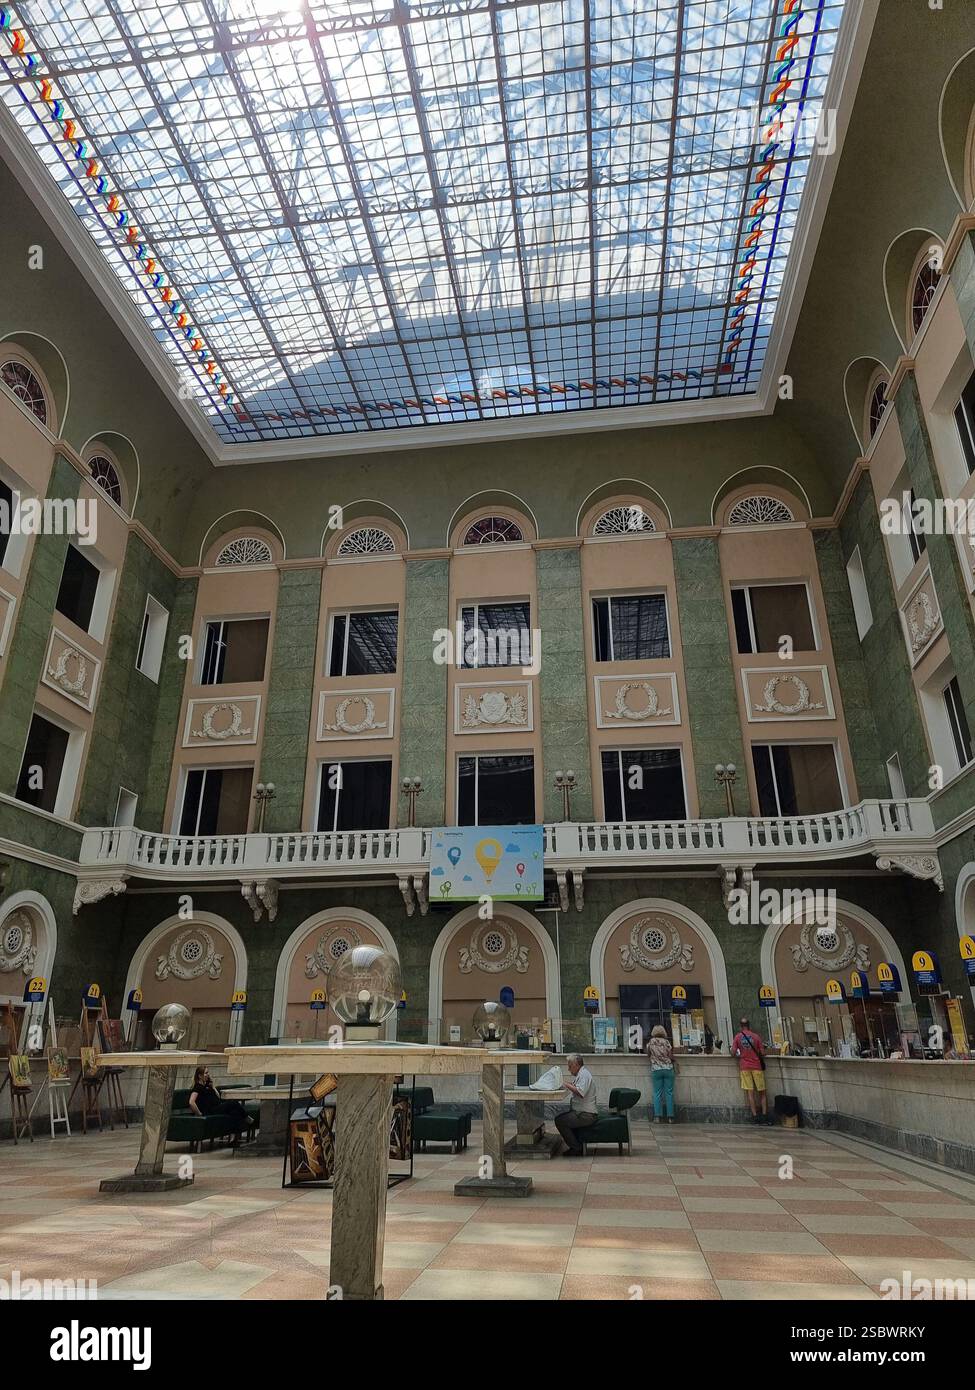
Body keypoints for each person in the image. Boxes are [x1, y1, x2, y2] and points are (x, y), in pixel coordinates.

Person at [189, 1065, 255, 1139]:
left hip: (217, 1107)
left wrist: (212, 1086)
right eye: (206, 1073)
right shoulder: (197, 1087)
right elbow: (191, 1102)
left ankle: (233, 1139)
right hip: (210, 1110)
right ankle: (247, 1118)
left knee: (234, 1112)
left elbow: (218, 1096)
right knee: (233, 1103)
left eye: (208, 1073)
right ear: (200, 1076)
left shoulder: (207, 1086)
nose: (208, 1075)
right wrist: (199, 1113)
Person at [554, 1053, 598, 1155]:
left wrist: (565, 1084)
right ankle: (577, 1145)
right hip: (582, 1112)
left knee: (560, 1121)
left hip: (586, 1114)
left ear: (577, 1065)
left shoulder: (584, 1075)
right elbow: (575, 1086)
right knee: (563, 1117)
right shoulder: (581, 1074)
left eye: (570, 1066)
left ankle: (576, 1148)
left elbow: (580, 1092)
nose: (569, 1069)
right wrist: (567, 1084)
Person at [731, 1018, 771, 1124]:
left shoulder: (738, 1037)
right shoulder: (756, 1037)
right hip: (757, 1066)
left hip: (745, 1067)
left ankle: (755, 1116)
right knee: (762, 1092)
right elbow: (762, 1052)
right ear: (749, 1025)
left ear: (741, 1026)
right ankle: (764, 1115)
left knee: (750, 1092)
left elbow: (733, 1052)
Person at [646, 1024, 676, 1123]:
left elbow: (648, 1054)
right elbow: (671, 1056)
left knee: (657, 1093)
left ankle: (657, 1117)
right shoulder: (667, 1042)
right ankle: (670, 1117)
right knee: (669, 1093)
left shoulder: (650, 1042)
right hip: (668, 1069)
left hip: (656, 1069)